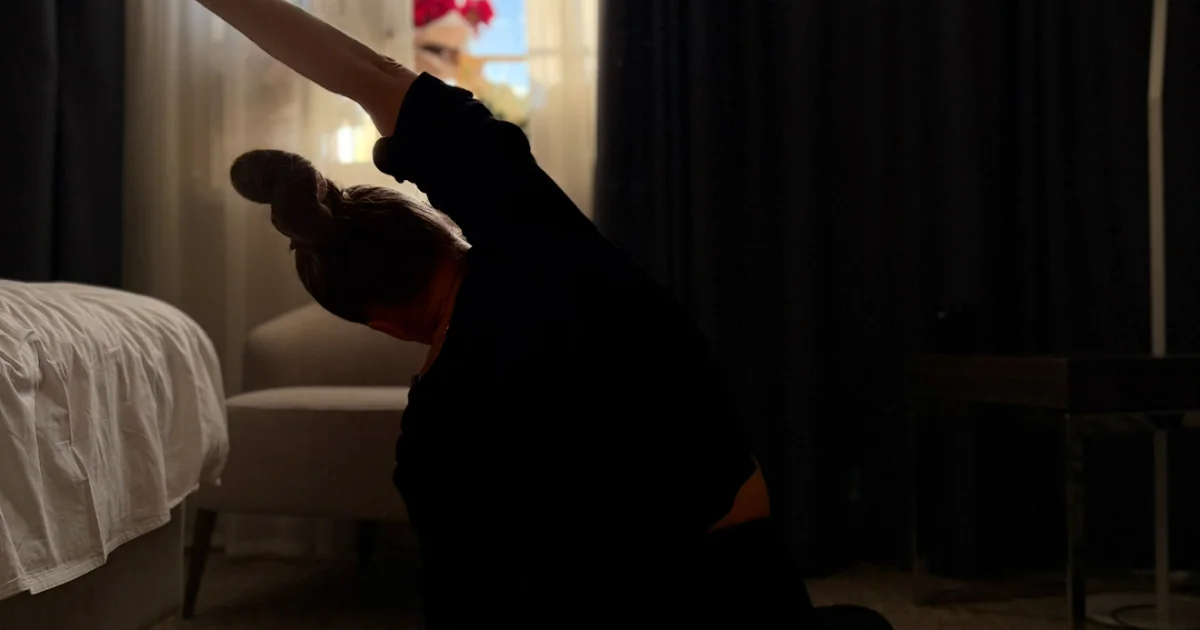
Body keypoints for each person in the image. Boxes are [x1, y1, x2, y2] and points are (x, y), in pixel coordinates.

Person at [199, 1, 817, 627]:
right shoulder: (544, 246)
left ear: (381, 323)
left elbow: (469, 602)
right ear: (440, 227)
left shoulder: (430, 442)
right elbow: (374, 74)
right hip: (748, 594)